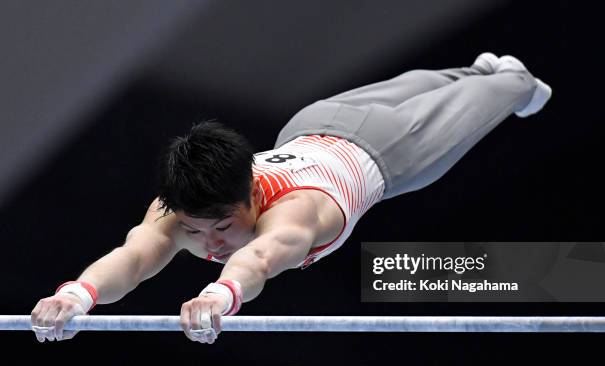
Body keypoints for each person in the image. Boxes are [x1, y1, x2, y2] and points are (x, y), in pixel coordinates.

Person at [30, 52, 552, 344]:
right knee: (413, 83)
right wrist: (77, 296)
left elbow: (258, 258)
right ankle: (476, 70)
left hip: (388, 151)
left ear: (254, 194)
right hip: (311, 125)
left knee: (493, 95)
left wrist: (219, 295)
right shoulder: (178, 208)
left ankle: (508, 79)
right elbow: (134, 257)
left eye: (222, 227)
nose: (210, 241)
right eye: (194, 230)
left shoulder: (294, 211)